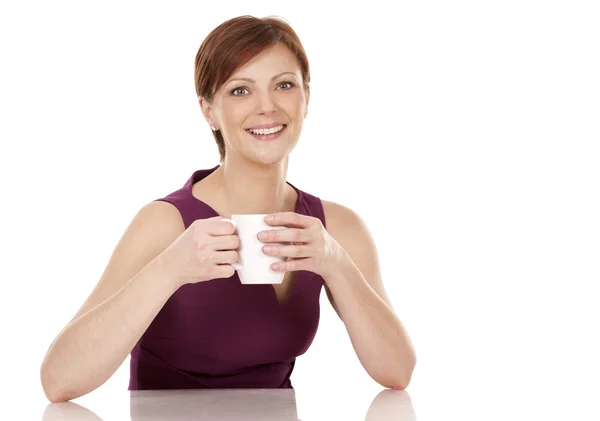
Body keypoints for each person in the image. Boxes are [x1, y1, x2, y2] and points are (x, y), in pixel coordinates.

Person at [40, 15, 417, 403]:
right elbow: (60, 381)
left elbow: (396, 372)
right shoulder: (165, 222)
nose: (267, 107)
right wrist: (169, 270)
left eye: (284, 85)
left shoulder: (337, 228)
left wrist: (336, 263)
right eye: (240, 91)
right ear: (209, 111)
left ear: (307, 97)